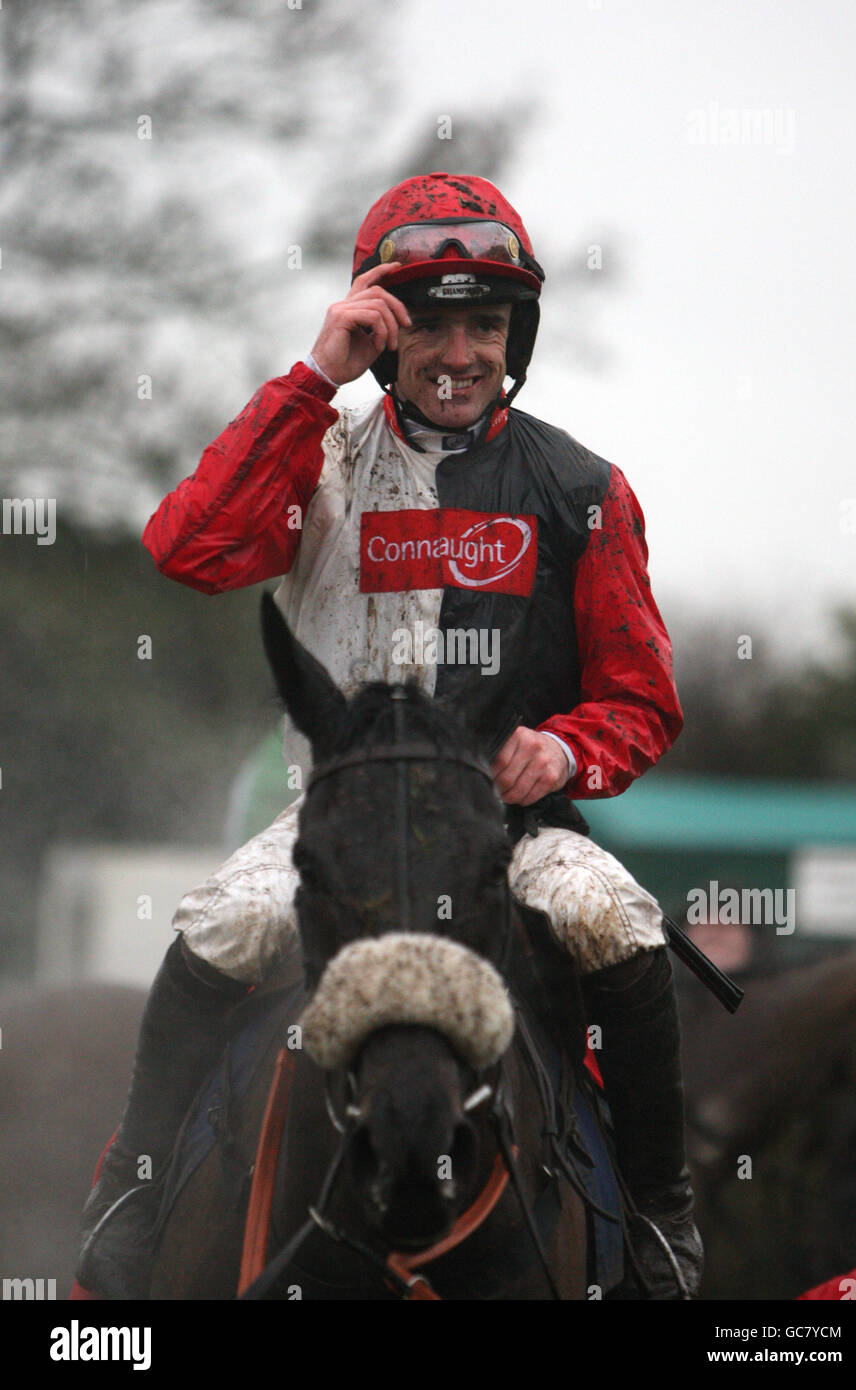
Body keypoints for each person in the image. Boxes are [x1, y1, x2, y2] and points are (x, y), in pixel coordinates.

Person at [77, 171, 701, 1299]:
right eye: (428, 322)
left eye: (486, 322)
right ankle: (131, 1184)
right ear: (378, 327)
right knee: (221, 923)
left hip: (506, 830)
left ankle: (659, 1217)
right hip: (334, 823)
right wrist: (315, 373)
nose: (458, 350)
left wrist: (560, 751)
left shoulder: (583, 490)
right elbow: (185, 548)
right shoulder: (310, 458)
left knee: (616, 921)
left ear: (516, 334)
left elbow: (642, 698)